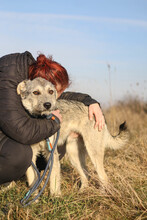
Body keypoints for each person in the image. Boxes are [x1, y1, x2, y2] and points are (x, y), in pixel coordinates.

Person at [0, 51, 104, 185]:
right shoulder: (9, 78)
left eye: (53, 92)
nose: (55, 98)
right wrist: (54, 123)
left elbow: (57, 98)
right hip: (8, 127)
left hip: (10, 123)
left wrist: (90, 101)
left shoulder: (36, 78)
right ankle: (7, 179)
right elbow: (20, 130)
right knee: (21, 155)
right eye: (57, 92)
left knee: (58, 148)